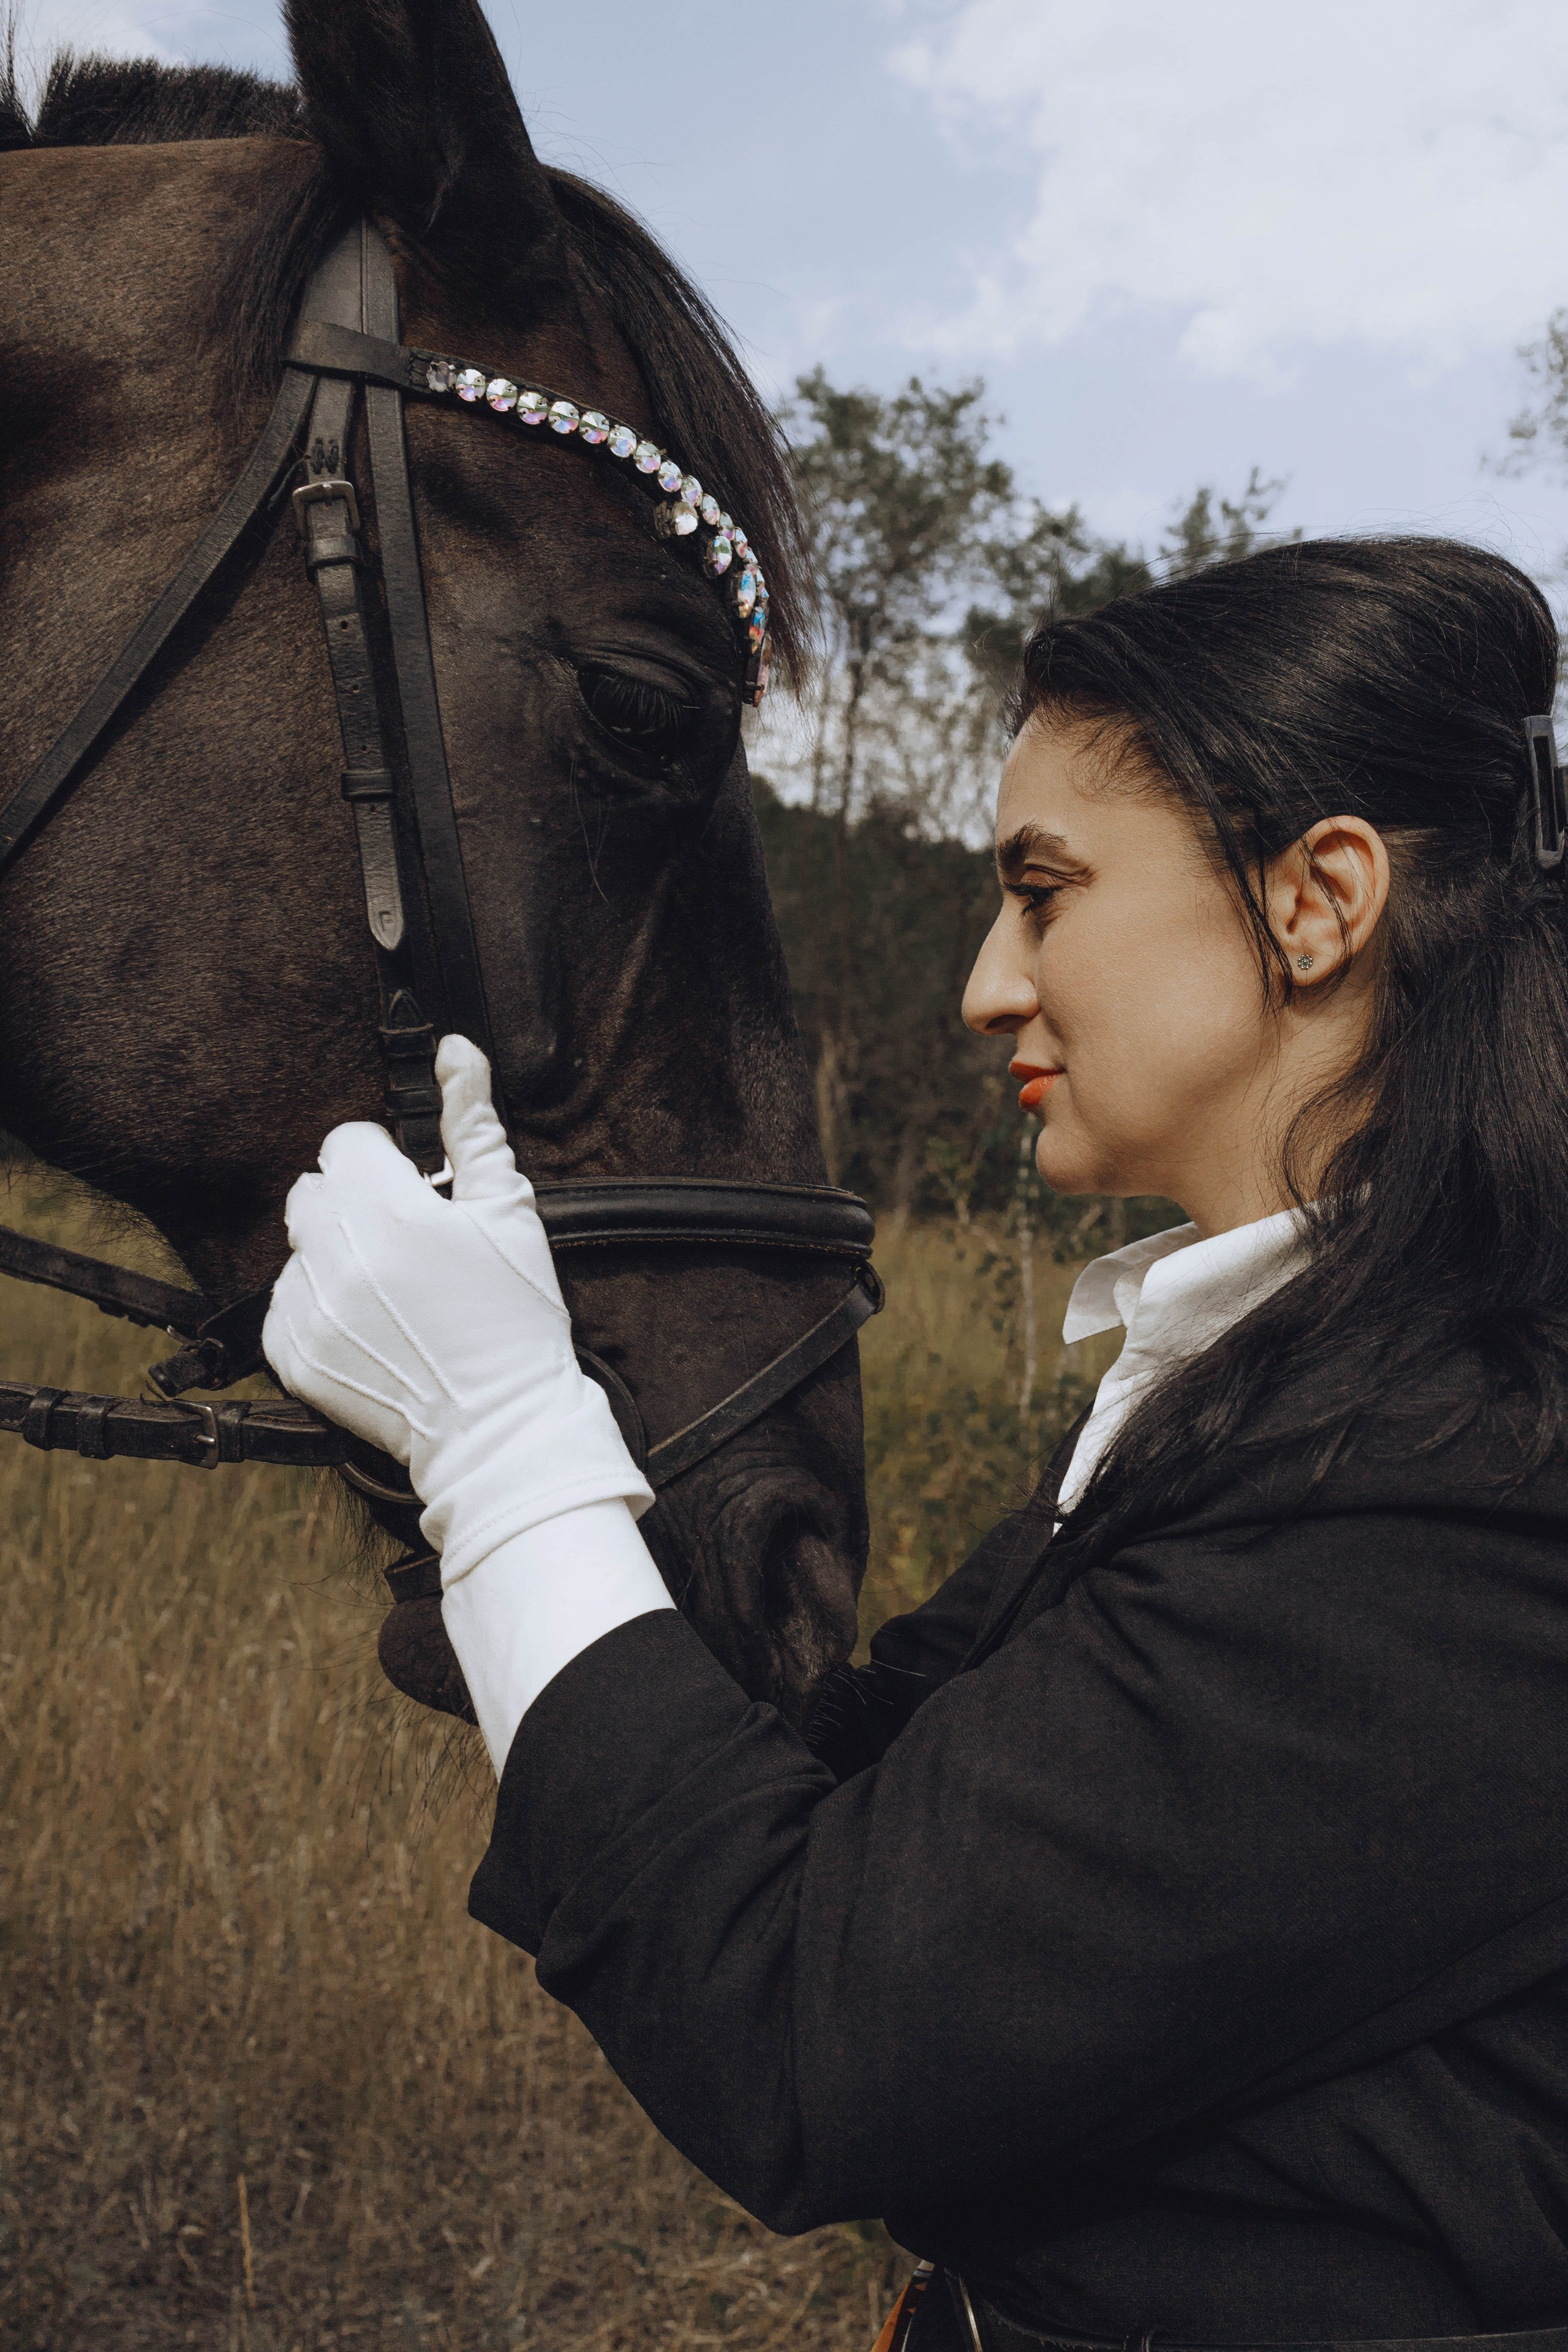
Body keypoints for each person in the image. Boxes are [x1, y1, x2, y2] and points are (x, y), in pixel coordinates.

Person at [264, 538, 1568, 2352]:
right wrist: (505, 1385)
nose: (986, 986)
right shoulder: (1277, 1373)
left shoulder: (1469, 1471)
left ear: (1319, 897)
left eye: (1044, 893)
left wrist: (502, 1442)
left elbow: (808, 2020)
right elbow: (857, 1810)